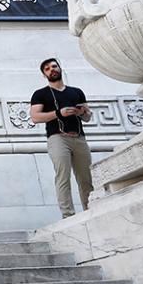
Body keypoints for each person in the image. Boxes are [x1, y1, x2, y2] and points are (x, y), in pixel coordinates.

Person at [30, 58, 94, 218]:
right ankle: (68, 215)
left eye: (53, 66)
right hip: (58, 138)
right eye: (47, 68)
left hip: (79, 138)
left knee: (86, 177)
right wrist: (59, 113)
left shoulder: (76, 92)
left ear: (60, 68)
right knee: (63, 176)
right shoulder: (40, 94)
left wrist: (83, 113)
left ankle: (91, 210)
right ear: (44, 75)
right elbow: (35, 117)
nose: (51, 69)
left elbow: (87, 117)